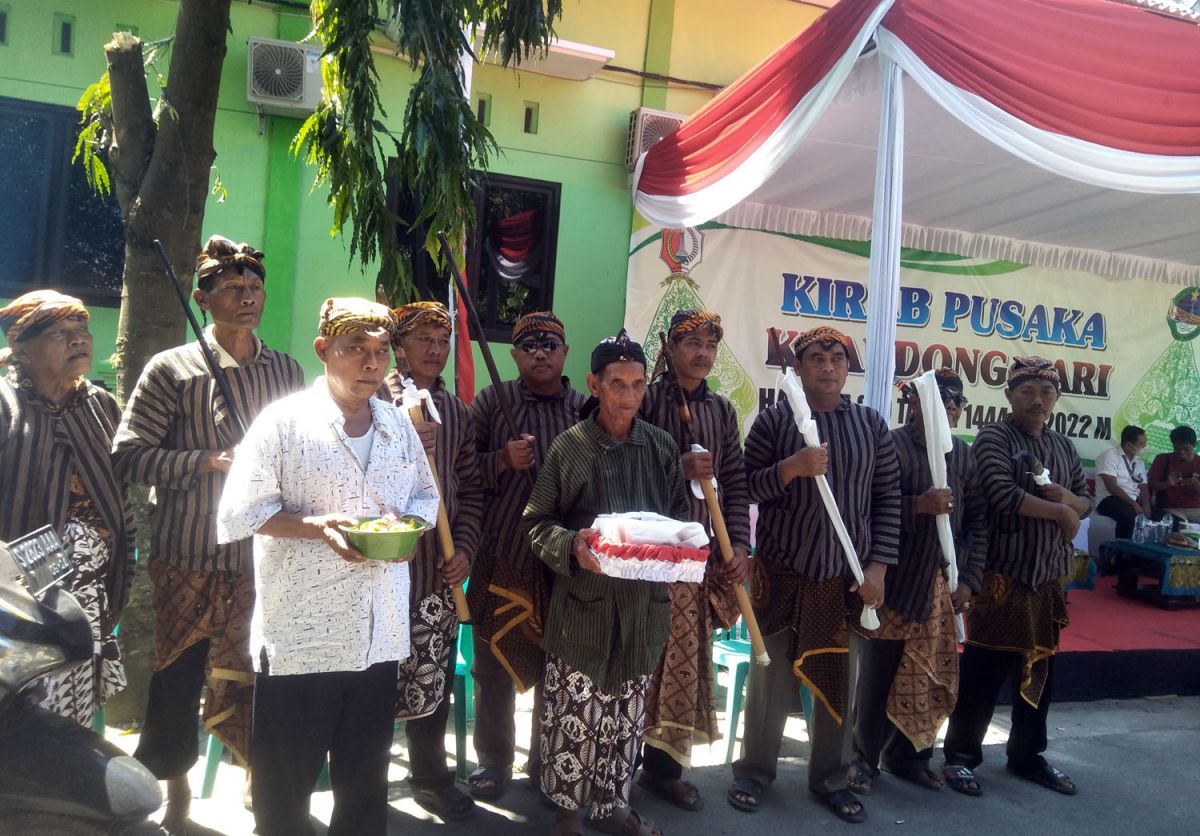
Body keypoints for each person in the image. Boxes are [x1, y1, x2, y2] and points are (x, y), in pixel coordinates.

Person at [216, 297, 439, 836]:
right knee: (285, 788)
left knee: (364, 784)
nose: (371, 363)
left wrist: (410, 530)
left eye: (381, 351)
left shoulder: (396, 424)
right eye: (355, 348)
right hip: (303, 638)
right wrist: (317, 526)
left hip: (379, 634)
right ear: (323, 350)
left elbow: (425, 497)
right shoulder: (284, 423)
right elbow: (240, 513)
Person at [113, 235, 304, 832]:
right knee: (177, 677)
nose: (248, 298)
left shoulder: (286, 370)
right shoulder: (172, 369)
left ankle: (257, 780)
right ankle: (176, 795)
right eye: (232, 288)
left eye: (255, 287)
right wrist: (207, 461)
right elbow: (128, 455)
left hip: (262, 556)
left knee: (260, 674)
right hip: (189, 552)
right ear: (202, 299)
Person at [728, 325, 900, 825]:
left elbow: (887, 500)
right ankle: (754, 772)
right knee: (769, 678)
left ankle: (831, 778)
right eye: (816, 359)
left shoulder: (871, 426)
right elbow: (746, 487)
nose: (828, 367)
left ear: (848, 369)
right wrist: (792, 468)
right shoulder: (774, 421)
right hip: (783, 572)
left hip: (845, 578)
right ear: (799, 368)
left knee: (838, 680)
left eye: (837, 359)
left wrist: (878, 568)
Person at [524, 329, 687, 836]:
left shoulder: (660, 447)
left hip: (642, 609)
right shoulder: (571, 448)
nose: (628, 395)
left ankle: (613, 806)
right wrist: (573, 545)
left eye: (637, 384)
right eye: (617, 384)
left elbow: (680, 519)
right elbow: (537, 523)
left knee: (625, 716)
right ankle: (567, 814)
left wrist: (679, 550)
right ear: (594, 384)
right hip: (582, 609)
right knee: (574, 715)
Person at [941, 356, 1090, 798]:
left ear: (1056, 399)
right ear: (1009, 395)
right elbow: (1002, 493)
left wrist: (1071, 503)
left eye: (1046, 392)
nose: (1037, 400)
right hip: (1002, 577)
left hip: (1047, 579)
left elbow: (1086, 498)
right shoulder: (994, 437)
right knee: (984, 672)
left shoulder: (1063, 446)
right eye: (1027, 391)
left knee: (1040, 670)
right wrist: (1061, 511)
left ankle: (1027, 756)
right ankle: (961, 757)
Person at [848, 370, 987, 795]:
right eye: (941, 400)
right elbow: (867, 508)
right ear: (914, 404)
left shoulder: (963, 456)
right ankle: (862, 759)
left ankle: (910, 756)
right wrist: (918, 506)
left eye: (956, 402)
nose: (950, 407)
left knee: (927, 675)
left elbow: (978, 522)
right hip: (894, 582)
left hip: (939, 587)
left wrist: (970, 580)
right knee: (879, 677)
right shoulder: (890, 446)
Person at [466, 311, 586, 801]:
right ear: (514, 355)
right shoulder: (491, 401)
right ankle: (493, 760)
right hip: (502, 552)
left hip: (562, 560)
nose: (540, 352)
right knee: (492, 664)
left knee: (557, 666)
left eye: (550, 344)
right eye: (529, 346)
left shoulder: (584, 408)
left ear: (565, 353)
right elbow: (460, 471)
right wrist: (501, 460)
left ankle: (545, 761)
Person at [0, 290, 133, 726]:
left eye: (82, 329)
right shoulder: (5, 404)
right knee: (25, 717)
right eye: (60, 333)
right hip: (18, 601)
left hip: (90, 594)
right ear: (21, 348)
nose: (79, 339)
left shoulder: (100, 405)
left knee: (69, 719)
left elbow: (118, 495)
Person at [637, 309, 750, 811]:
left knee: (681, 668)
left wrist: (739, 546)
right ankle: (614, 768)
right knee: (640, 665)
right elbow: (622, 463)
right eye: (692, 344)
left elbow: (737, 483)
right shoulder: (644, 399)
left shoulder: (722, 410)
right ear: (671, 348)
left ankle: (663, 772)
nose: (703, 354)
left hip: (698, 563)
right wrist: (676, 466)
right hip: (647, 559)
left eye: (710, 345)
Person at [379, 301, 482, 821]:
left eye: (443, 340)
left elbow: (471, 490)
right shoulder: (374, 401)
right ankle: (363, 781)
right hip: (380, 573)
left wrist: (463, 549)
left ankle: (429, 778)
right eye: (423, 338)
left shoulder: (458, 413)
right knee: (372, 687)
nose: (435, 350)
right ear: (399, 346)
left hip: (436, 576)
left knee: (432, 683)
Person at [1094, 426, 1152, 538]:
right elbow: (1112, 487)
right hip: (1109, 499)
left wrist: (1146, 506)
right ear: (1129, 445)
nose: (1145, 447)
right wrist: (1134, 505)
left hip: (1133, 501)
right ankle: (1121, 548)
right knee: (1130, 517)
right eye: (1142, 444)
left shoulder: (1139, 461)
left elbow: (1143, 486)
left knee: (1160, 516)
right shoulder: (1109, 456)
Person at [1148, 425, 1200, 523]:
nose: (1182, 452)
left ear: (1194, 445)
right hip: (1170, 508)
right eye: (1177, 448)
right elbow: (1150, 484)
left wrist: (1196, 485)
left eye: (1186, 449)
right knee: (1179, 525)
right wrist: (1166, 483)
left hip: (1196, 509)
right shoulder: (1162, 459)